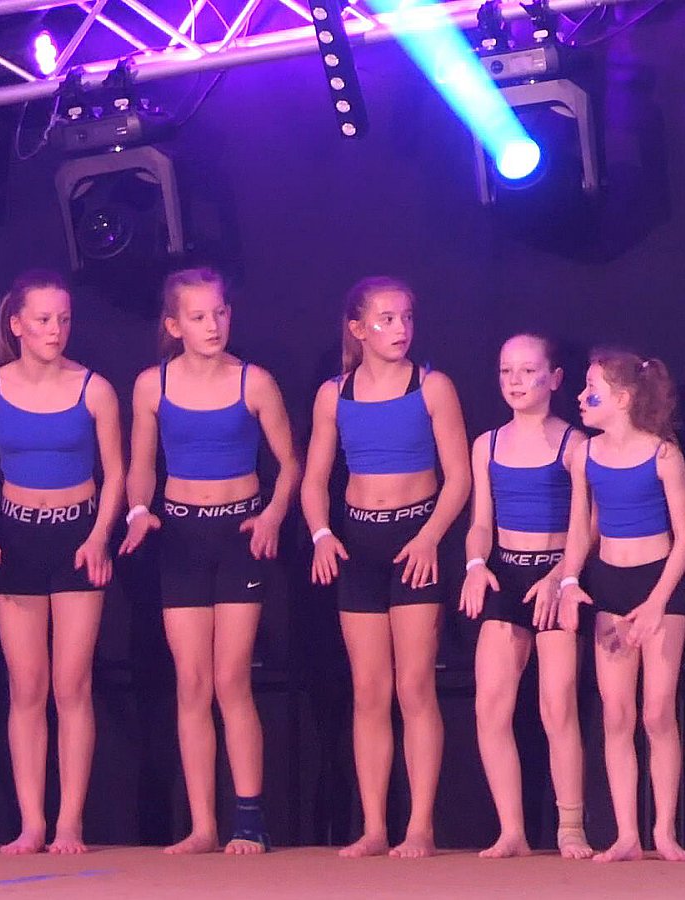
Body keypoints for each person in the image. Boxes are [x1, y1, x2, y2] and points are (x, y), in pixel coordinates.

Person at [119, 268, 299, 854]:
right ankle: (202, 825)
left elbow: (290, 464)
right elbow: (141, 465)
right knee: (192, 683)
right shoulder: (151, 385)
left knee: (230, 679)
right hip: (181, 537)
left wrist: (272, 515)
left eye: (219, 313)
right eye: (198, 317)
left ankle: (248, 819)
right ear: (174, 326)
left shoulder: (254, 382)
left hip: (238, 535)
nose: (213, 325)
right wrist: (138, 510)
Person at [301, 277, 470, 858]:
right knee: (369, 690)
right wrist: (321, 533)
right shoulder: (335, 395)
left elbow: (459, 477)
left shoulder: (432, 387)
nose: (400, 329)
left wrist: (429, 538)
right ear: (357, 329)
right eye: (386, 319)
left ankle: (420, 825)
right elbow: (314, 480)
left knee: (414, 686)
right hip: (359, 548)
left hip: (414, 542)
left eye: (406, 318)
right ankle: (374, 826)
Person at [0, 270, 122, 854]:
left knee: (71, 685)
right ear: (17, 324)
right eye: (43, 319)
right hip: (16, 538)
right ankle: (32, 821)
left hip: (77, 538)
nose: (55, 329)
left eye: (64, 319)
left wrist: (100, 536)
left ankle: (69, 821)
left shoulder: (94, 389)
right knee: (26, 687)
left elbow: (116, 473)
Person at [459, 334, 592, 860]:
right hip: (505, 577)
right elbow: (480, 523)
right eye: (506, 371)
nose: (516, 381)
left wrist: (562, 574)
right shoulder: (487, 444)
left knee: (557, 705)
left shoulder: (575, 444)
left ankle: (571, 826)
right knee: (490, 706)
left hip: (555, 579)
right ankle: (511, 829)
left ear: (554, 379)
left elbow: (588, 524)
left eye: (528, 371)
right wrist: (475, 566)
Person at [559, 348, 685, 862]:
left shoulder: (664, 455)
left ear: (621, 398)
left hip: (659, 584)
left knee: (657, 712)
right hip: (610, 586)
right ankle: (627, 835)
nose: (580, 396)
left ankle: (664, 830)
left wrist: (657, 602)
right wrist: (569, 580)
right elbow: (580, 529)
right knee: (617, 713)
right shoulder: (585, 455)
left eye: (590, 388)